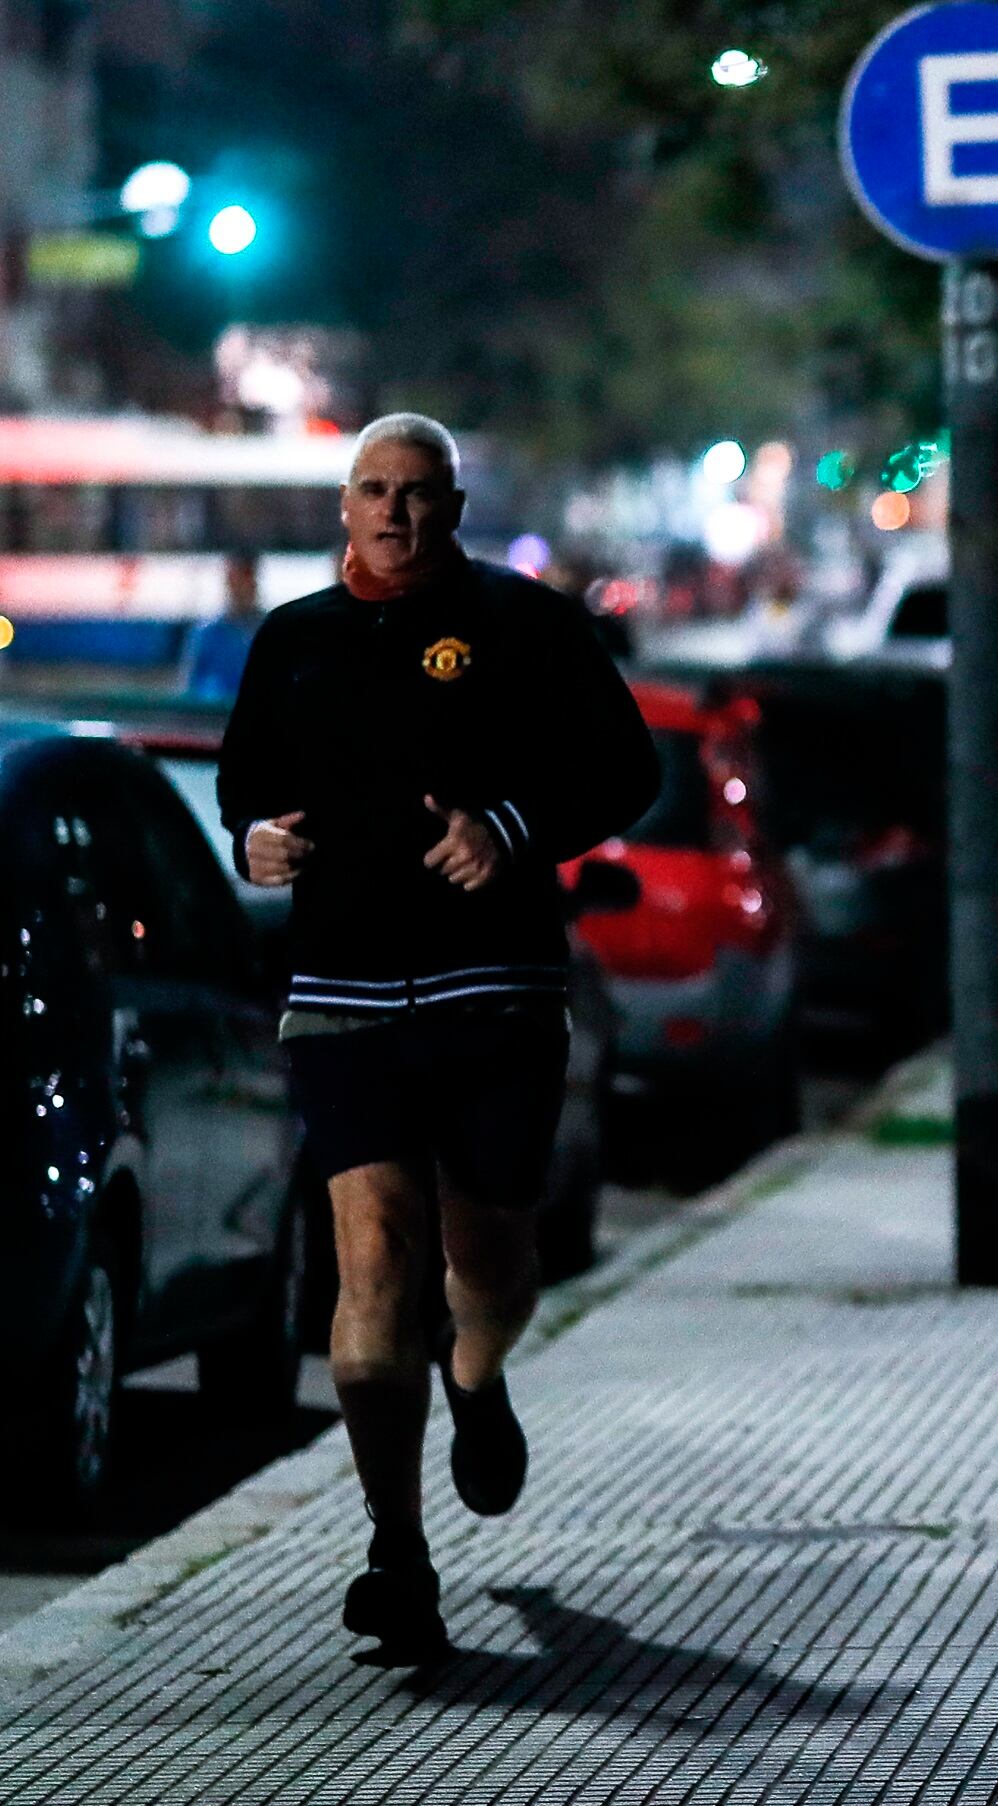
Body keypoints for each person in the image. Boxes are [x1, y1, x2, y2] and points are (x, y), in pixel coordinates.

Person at [218, 413, 659, 1666]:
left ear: (454, 508)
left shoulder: (527, 626)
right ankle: (395, 1554)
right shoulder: (294, 639)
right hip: (345, 994)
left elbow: (626, 769)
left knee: (491, 1256)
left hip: (495, 991)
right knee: (372, 1262)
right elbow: (243, 784)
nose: (397, 514)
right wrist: (255, 837)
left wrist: (510, 829)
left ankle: (476, 1371)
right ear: (343, 506)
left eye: (419, 494)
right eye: (374, 491)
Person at [180, 551, 266, 702]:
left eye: (244, 578)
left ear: (253, 582)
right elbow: (189, 687)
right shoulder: (207, 633)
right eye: (233, 579)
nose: (239, 587)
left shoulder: (269, 629)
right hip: (212, 720)